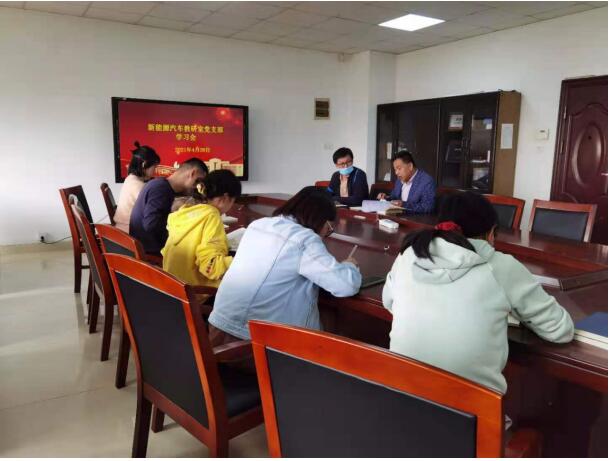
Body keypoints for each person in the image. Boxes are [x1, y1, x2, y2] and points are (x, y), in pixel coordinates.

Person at [382, 192, 574, 394]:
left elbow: (389, 301)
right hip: (471, 408)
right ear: (491, 233)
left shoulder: (409, 254)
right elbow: (560, 330)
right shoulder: (501, 266)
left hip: (403, 398)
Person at [208, 186, 362, 346]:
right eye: (328, 228)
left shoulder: (258, 225)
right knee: (334, 331)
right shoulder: (303, 238)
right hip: (252, 343)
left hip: (217, 329)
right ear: (320, 219)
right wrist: (349, 266)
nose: (325, 233)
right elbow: (346, 285)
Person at [161, 169, 241, 288]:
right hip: (195, 291)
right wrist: (240, 259)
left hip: (172, 286)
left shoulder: (187, 211)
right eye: (233, 201)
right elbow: (211, 267)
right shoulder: (211, 216)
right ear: (225, 198)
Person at [129, 158, 208, 255]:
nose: (196, 187)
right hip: (150, 253)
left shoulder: (161, 185)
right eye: (197, 181)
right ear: (192, 173)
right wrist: (175, 214)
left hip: (148, 247)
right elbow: (151, 225)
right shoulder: (161, 188)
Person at [113, 142, 160, 232]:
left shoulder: (130, 179)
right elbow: (154, 210)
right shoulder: (138, 186)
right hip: (129, 233)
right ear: (144, 164)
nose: (155, 170)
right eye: (154, 167)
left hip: (122, 229)